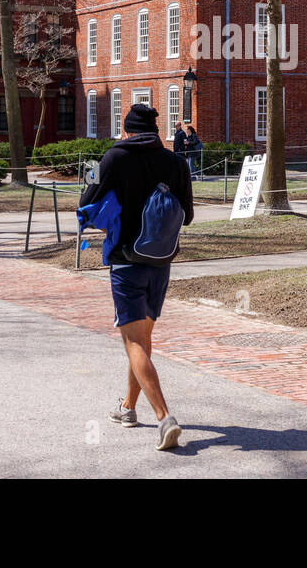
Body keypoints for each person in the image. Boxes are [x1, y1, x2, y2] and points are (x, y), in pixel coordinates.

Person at [79, 103, 194, 451]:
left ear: (127, 130)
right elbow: (187, 216)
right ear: (156, 131)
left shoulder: (113, 158)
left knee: (133, 342)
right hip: (161, 261)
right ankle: (128, 407)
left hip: (126, 261)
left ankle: (164, 419)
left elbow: (85, 202)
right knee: (141, 340)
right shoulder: (176, 162)